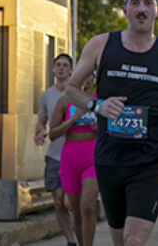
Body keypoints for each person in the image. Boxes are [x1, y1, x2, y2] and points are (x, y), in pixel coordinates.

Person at [65, 0, 158, 246]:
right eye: (135, 3)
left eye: (148, 3)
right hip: (110, 158)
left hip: (152, 157)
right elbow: (72, 88)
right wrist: (98, 105)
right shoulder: (101, 45)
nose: (142, 8)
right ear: (124, 10)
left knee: (135, 240)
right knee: (120, 241)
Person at [33, 53, 77, 246]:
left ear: (71, 70)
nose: (61, 68)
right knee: (59, 203)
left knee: (69, 202)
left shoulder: (77, 95)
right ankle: (70, 241)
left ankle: (81, 233)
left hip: (75, 153)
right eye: (58, 65)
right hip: (54, 155)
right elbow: (41, 121)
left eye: (65, 65)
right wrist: (39, 132)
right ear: (53, 69)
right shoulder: (46, 95)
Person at [49, 73, 98, 246]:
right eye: (82, 76)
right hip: (70, 159)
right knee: (77, 212)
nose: (86, 80)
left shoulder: (100, 102)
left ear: (94, 78)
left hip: (92, 158)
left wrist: (101, 128)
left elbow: (115, 131)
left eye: (90, 75)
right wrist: (73, 119)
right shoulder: (64, 101)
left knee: (88, 207)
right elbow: (53, 134)